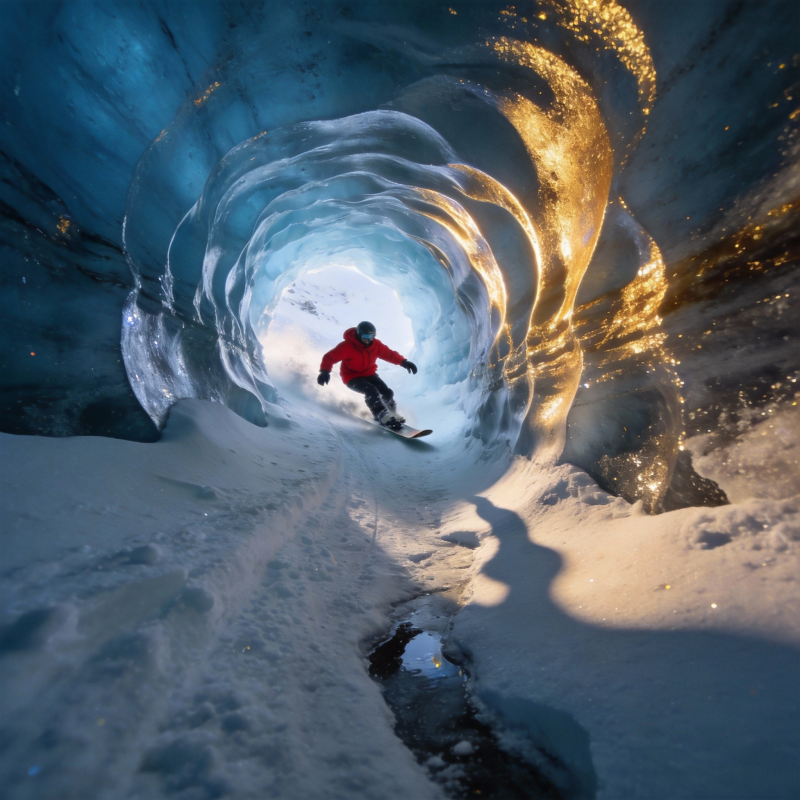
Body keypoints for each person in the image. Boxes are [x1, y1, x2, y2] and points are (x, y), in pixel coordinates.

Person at [317, 321, 417, 428]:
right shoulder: (347, 346)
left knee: (386, 392)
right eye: (365, 336)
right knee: (371, 390)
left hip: (369, 374)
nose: (368, 339)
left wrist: (404, 362)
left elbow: (389, 354)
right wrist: (324, 371)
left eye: (371, 336)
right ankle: (382, 415)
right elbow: (329, 357)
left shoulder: (375, 345)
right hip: (351, 377)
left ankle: (391, 413)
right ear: (359, 334)